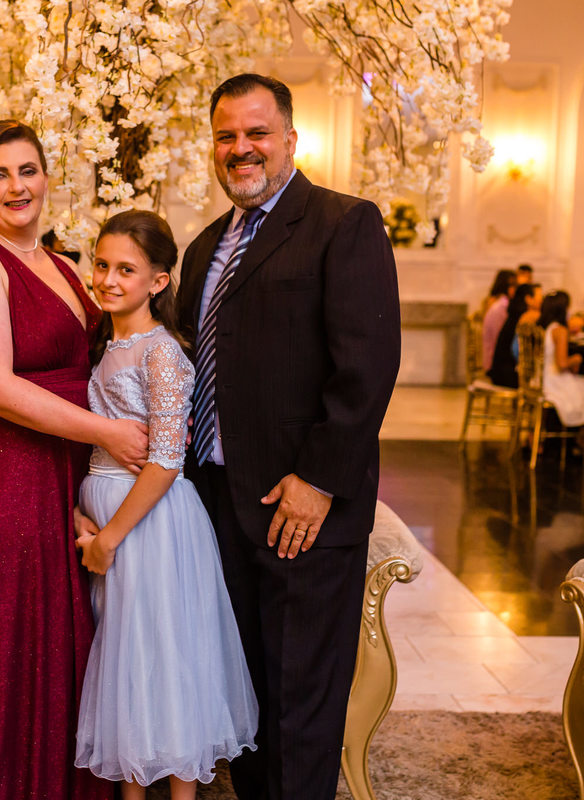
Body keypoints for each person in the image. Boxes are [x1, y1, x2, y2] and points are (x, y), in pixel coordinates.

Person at [176, 74, 400, 800]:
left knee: (300, 706)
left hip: (300, 509)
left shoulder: (343, 222)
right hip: (217, 504)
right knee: (242, 696)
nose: (241, 148)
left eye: (257, 133)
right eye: (226, 136)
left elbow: (366, 368)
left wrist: (319, 481)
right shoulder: (205, 248)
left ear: (291, 140)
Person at [0, 119, 146, 800]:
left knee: (64, 633)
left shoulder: (64, 264)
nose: (17, 187)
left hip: (64, 471)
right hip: (2, 476)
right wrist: (108, 432)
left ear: (47, 177)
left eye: (27, 170)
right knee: (12, 641)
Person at [73, 210, 257, 800]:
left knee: (165, 656)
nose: (108, 279)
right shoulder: (103, 344)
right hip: (107, 511)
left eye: (126, 270)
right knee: (127, 661)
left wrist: (109, 538)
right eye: (101, 264)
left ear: (158, 281)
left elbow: (167, 459)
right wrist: (83, 515)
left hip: (149, 522)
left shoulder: (161, 354)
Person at [538, 291, 584, 459]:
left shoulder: (544, 327)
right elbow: (562, 364)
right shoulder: (560, 330)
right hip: (555, 383)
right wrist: (577, 359)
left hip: (541, 380)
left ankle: (582, 437)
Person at [489, 282, 542, 388]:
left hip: (499, 372)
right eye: (540, 297)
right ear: (528, 299)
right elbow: (517, 351)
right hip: (509, 375)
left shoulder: (515, 314)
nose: (543, 302)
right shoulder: (528, 317)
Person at [480, 269, 517, 372]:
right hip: (495, 360)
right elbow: (500, 337)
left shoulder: (500, 303)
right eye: (513, 285)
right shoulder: (501, 305)